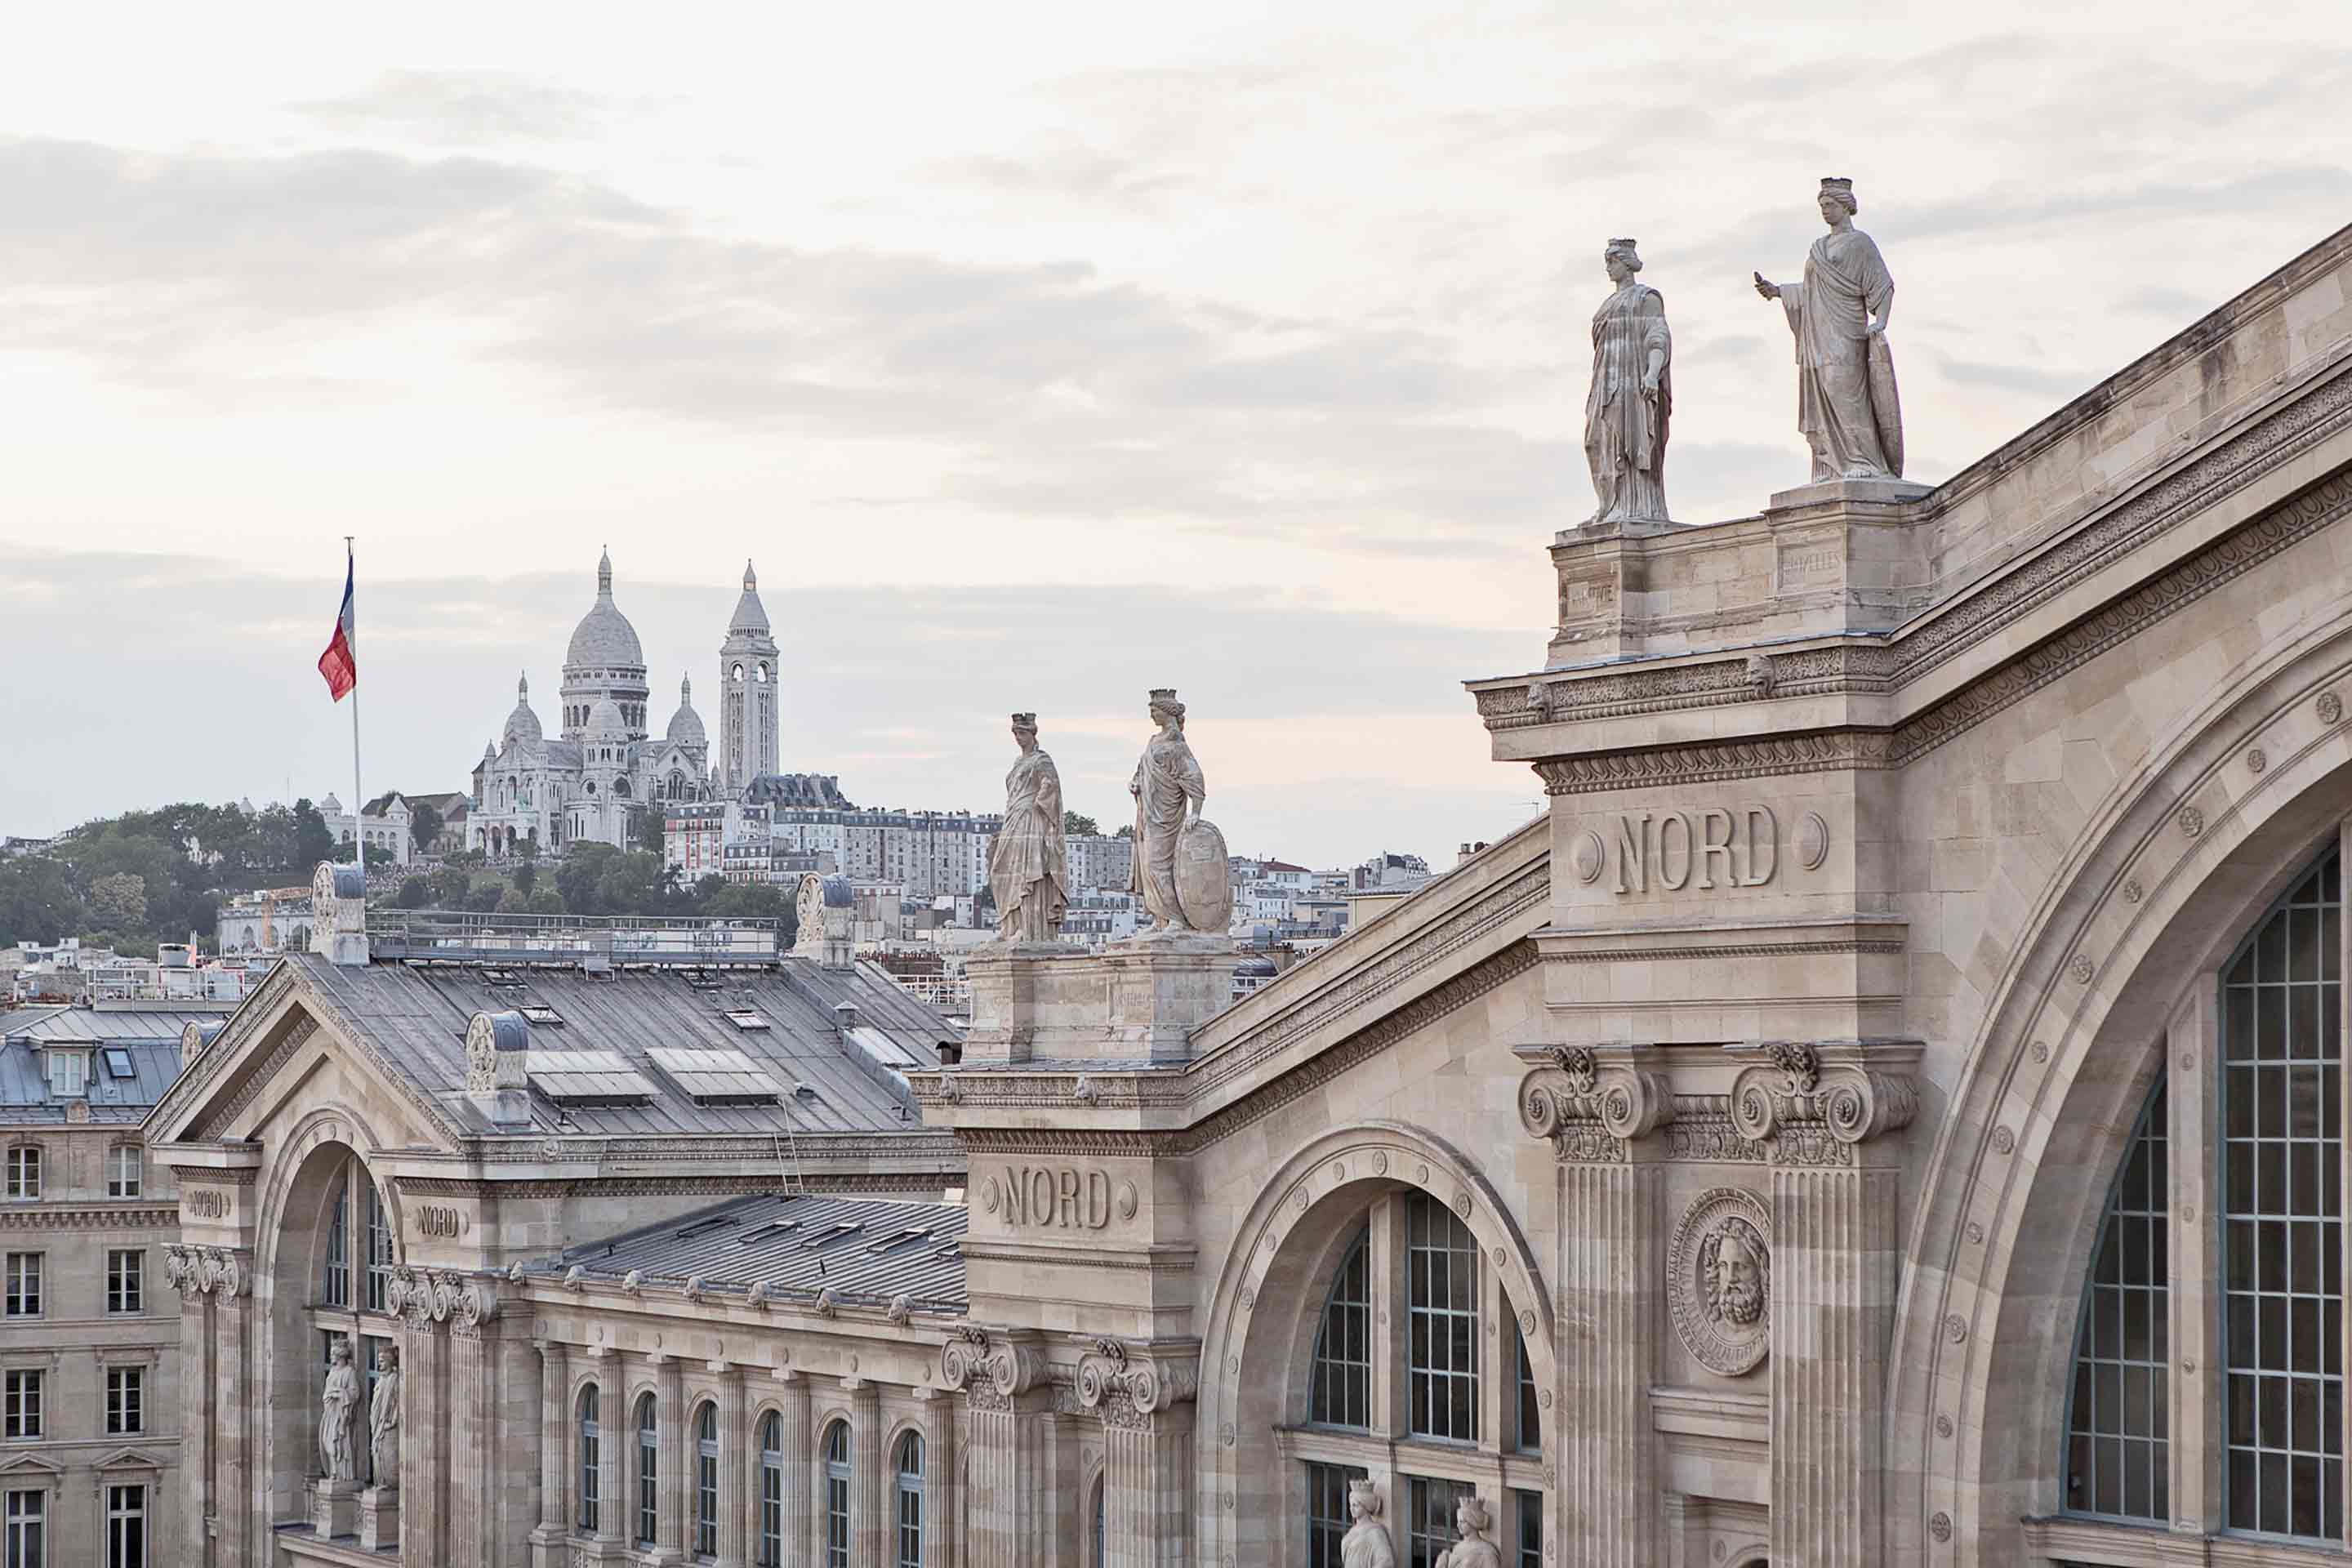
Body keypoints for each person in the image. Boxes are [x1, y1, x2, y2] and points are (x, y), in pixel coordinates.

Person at [1753, 176, 1904, 483]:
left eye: (1830, 205)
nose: (1825, 211)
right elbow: (1810, 289)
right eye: (1822, 206)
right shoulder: (1818, 247)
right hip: (1819, 332)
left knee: (1845, 390)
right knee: (1824, 390)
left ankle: (1864, 460)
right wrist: (1777, 291)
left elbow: (1881, 282)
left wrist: (1881, 321)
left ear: (1846, 207)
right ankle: (1832, 463)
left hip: (1847, 329)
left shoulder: (1860, 242)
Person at [1583, 238, 1673, 524]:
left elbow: (1658, 336)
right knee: (1595, 441)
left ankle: (1634, 506)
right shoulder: (1607, 305)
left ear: (1628, 262)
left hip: (1632, 382)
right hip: (1604, 383)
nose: (1608, 268)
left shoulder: (1646, 297)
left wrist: (1651, 373)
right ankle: (1608, 505)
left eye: (1613, 261)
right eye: (1606, 262)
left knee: (1628, 443)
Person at [1127, 689, 1206, 933]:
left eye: (1154, 710)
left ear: (1167, 712)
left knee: (1160, 866)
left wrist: (1196, 812)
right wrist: (1136, 782)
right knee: (1149, 867)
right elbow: (1143, 769)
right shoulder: (1153, 741)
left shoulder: (1176, 744)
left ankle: (1176, 919)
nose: (1151, 714)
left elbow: (1194, 777)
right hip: (1149, 812)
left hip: (1167, 816)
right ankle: (1159, 918)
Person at [986, 713, 1068, 943]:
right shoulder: (1017, 763)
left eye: (1022, 733)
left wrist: (1036, 805)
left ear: (1033, 734)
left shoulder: (1041, 760)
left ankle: (1027, 927)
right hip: (1013, 818)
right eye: (1015, 733)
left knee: (1026, 874)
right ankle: (1009, 924)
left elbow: (1050, 785)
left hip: (1030, 820)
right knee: (1003, 871)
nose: (1018, 738)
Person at [319, 1336, 359, 1481]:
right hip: (330, 1412)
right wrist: (333, 1393)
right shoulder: (332, 1372)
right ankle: (333, 1471)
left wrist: (341, 1393)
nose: (330, 1356)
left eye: (332, 1354)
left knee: (337, 1444)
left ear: (339, 1356)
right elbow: (327, 1392)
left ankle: (340, 1475)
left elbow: (354, 1394)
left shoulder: (349, 1372)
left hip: (341, 1414)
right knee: (327, 1441)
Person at [1340, 1480, 1396, 1568]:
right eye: (1351, 1505)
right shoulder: (1353, 1530)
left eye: (1355, 1505)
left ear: (1366, 1506)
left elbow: (1387, 1561)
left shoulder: (1375, 1532)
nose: (1352, 1509)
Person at [369, 1343, 402, 1488]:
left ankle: (385, 1482)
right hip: (378, 1423)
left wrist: (393, 1421)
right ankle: (380, 1481)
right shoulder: (382, 1379)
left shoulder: (394, 1379)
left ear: (389, 1361)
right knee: (377, 1451)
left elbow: (398, 1402)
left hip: (386, 1424)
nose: (379, 1364)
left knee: (384, 1452)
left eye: (382, 1361)